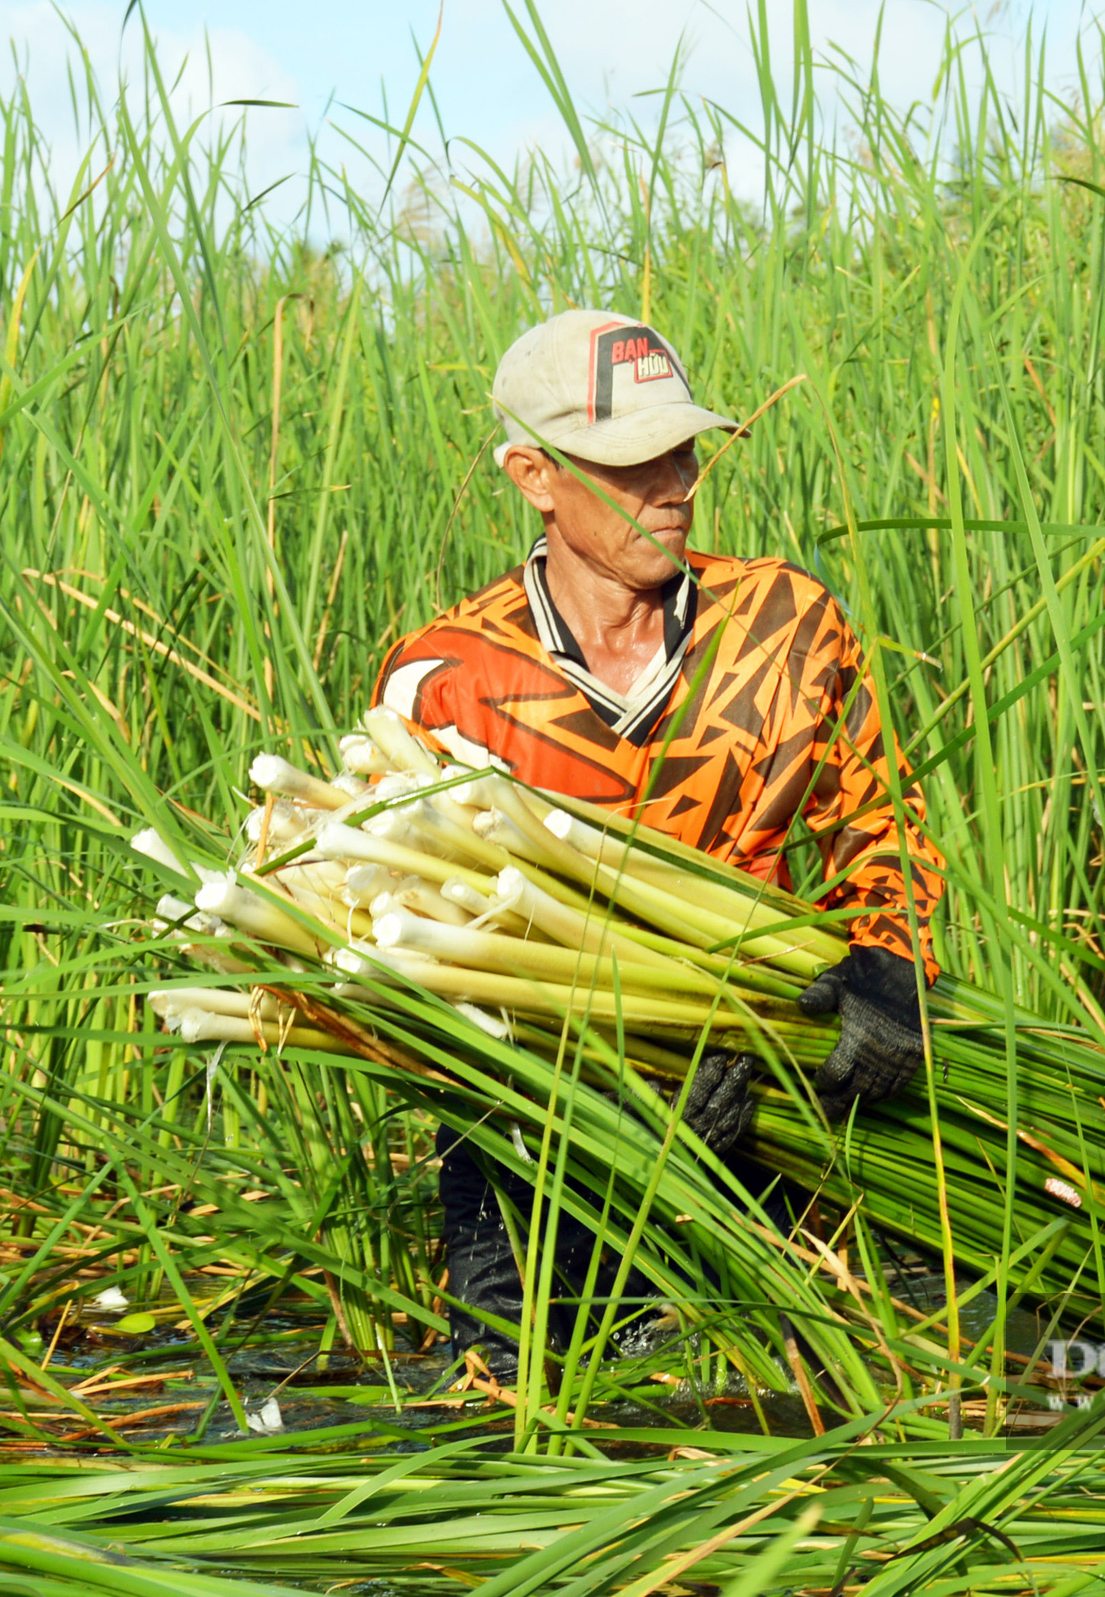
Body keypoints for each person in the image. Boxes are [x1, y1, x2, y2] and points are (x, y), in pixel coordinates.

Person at [371, 308, 945, 1376]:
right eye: (630, 462)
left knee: (814, 1391)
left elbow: (881, 827)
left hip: (767, 1091)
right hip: (536, 1138)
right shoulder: (447, 683)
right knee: (525, 1405)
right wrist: (618, 1091)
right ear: (533, 475)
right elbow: (421, 972)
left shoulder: (784, 625)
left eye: (680, 447)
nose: (673, 481)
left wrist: (889, 969)